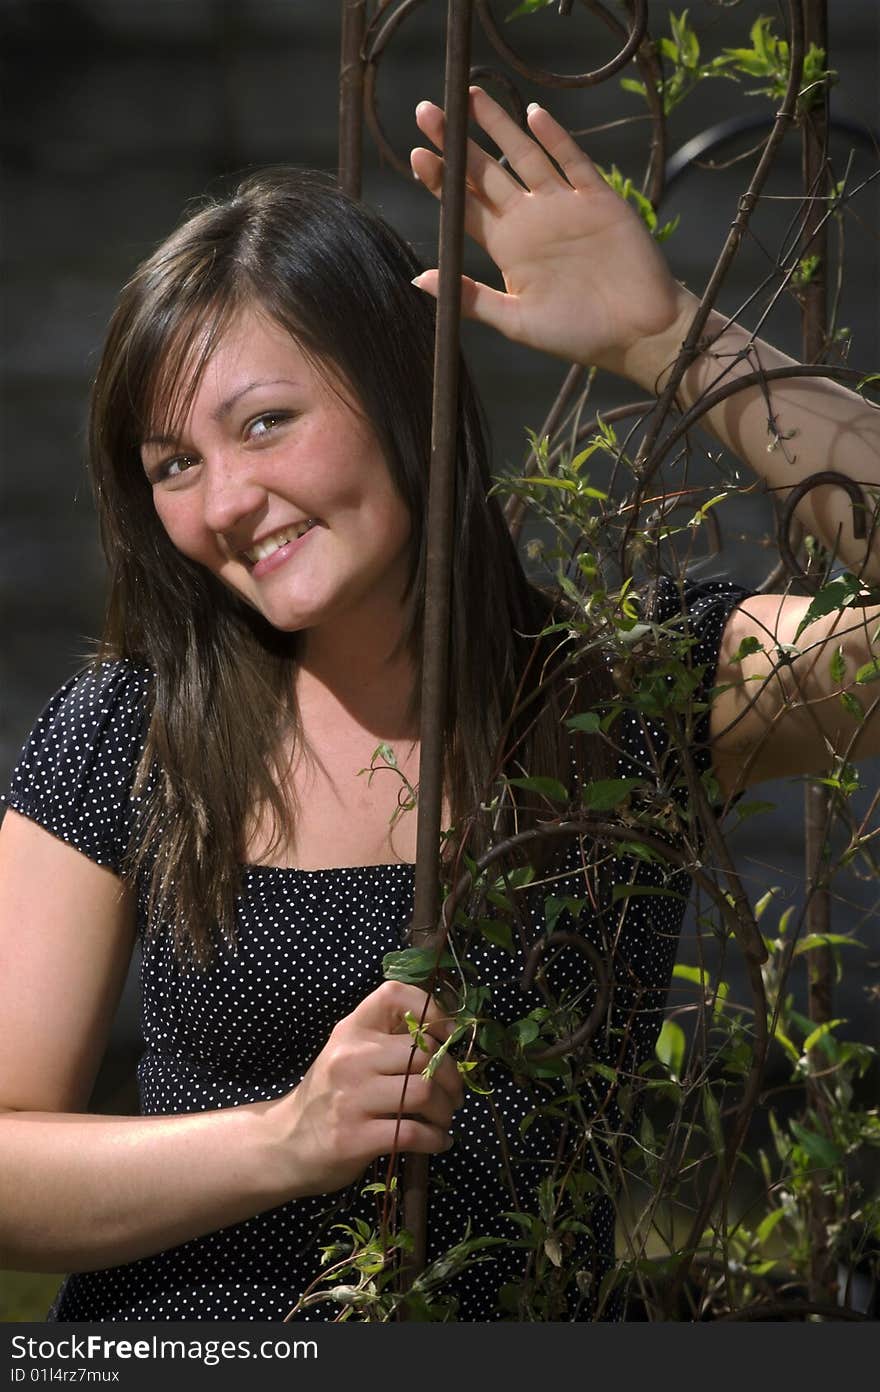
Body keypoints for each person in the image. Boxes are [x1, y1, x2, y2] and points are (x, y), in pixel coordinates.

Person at [0, 87, 877, 1323]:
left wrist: (671, 339)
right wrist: (283, 1141)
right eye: (174, 465)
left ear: (402, 391)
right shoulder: (125, 735)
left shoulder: (628, 693)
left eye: (266, 424)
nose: (228, 500)